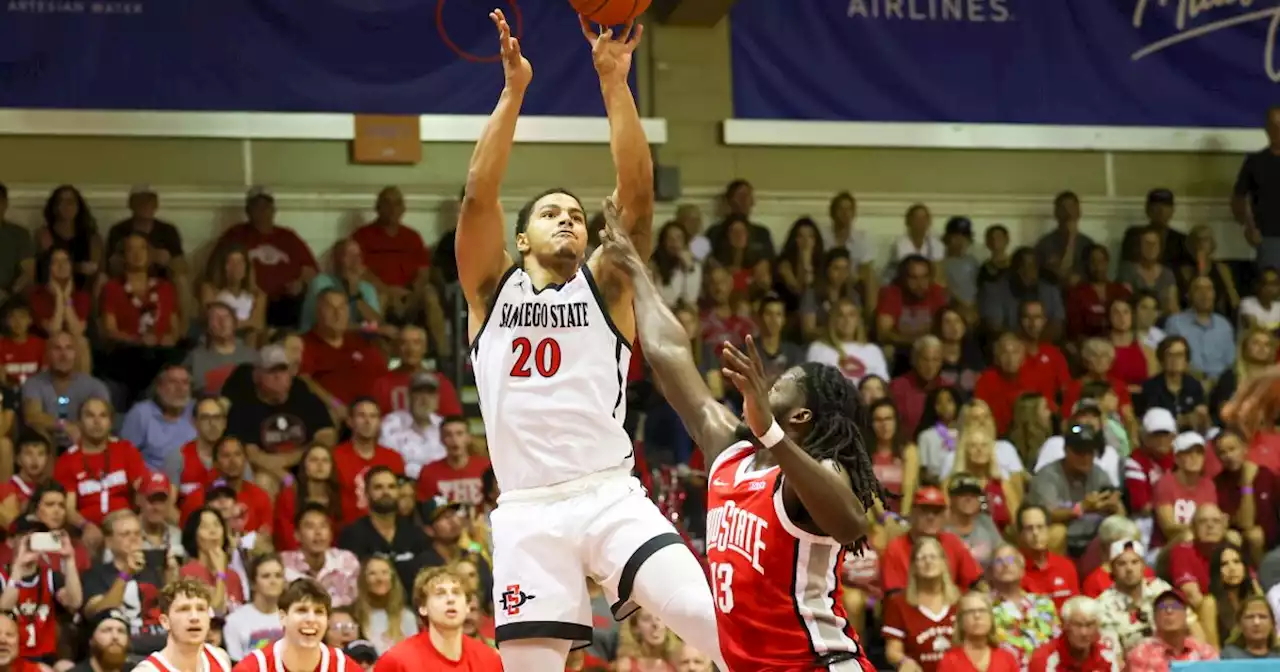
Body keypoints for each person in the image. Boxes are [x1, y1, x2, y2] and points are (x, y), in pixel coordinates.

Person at [456, 10, 722, 670]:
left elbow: (636, 194)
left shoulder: (606, 287)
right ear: (522, 239)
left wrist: (614, 83)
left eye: (576, 215)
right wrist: (513, 91)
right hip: (527, 514)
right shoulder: (491, 291)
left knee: (714, 620)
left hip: (609, 496)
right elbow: (477, 195)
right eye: (551, 214)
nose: (568, 221)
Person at [598, 197, 879, 672]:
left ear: (801, 417)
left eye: (781, 385)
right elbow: (670, 357)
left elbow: (852, 523)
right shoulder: (730, 451)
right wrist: (636, 273)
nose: (768, 384)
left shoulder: (817, 476)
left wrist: (769, 434)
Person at [374, 567, 502, 672]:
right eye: (440, 594)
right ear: (423, 607)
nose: (450, 599)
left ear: (468, 606)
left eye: (456, 593)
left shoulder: (490, 659)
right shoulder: (397, 661)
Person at [231, 578, 362, 672]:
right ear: (283, 617)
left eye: (318, 612)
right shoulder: (254, 667)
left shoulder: (343, 667)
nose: (311, 619)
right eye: (302, 610)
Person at [132, 578, 233, 672]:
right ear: (165, 622)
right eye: (184, 609)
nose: (194, 617)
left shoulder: (220, 658)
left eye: (201, 609)